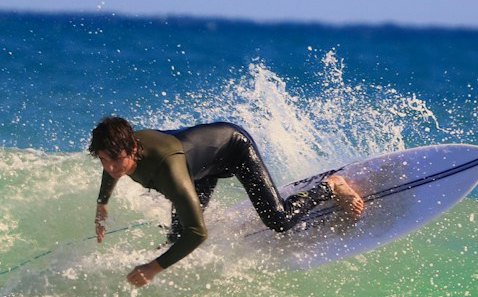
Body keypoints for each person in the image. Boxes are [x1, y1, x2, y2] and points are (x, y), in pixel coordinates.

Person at [89, 116, 365, 287]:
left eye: (115, 159)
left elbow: (198, 233)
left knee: (278, 220)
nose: (111, 167)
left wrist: (153, 268)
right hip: (201, 166)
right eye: (104, 159)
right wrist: (103, 204)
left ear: (133, 148)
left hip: (233, 149)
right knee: (175, 237)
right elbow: (110, 165)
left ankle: (331, 187)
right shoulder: (120, 152)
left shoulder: (168, 170)